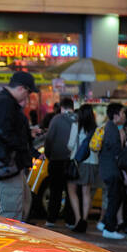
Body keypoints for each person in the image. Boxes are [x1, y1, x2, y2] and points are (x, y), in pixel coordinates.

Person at [0, 71, 35, 221]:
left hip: (9, 163)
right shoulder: (6, 103)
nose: (27, 97)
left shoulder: (4, 102)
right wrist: (22, 143)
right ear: (22, 89)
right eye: (28, 92)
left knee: (21, 201)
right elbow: (4, 133)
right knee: (11, 210)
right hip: (8, 163)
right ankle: (4, 240)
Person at [42, 96, 77, 227]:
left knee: (55, 191)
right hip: (72, 162)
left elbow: (49, 139)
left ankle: (51, 219)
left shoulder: (56, 119)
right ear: (72, 107)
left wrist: (49, 155)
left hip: (56, 160)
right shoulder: (77, 119)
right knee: (71, 192)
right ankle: (70, 220)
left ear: (61, 107)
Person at [66, 103, 99, 234]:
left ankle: (78, 219)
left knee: (71, 189)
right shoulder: (96, 128)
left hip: (78, 162)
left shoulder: (76, 126)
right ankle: (84, 221)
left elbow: (70, 145)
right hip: (93, 163)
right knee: (86, 192)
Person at [98, 102, 127, 240]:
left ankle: (105, 223)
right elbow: (116, 153)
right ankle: (109, 227)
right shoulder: (112, 130)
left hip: (107, 169)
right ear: (116, 115)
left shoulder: (110, 127)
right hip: (112, 170)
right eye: (122, 113)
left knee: (114, 197)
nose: (124, 116)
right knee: (115, 198)